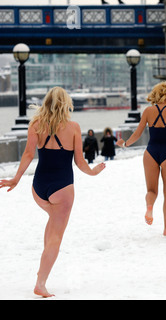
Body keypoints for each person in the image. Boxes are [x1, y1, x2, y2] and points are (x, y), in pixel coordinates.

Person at [0, 87, 105, 298]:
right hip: (62, 188)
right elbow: (80, 162)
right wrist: (93, 173)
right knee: (56, 237)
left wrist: (16, 178)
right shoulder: (73, 127)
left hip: (39, 188)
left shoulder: (36, 124)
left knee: (51, 229)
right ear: (66, 103)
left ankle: (42, 270)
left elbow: (29, 154)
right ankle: (41, 283)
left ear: (46, 102)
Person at [117, 81, 166, 237]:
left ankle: (149, 206)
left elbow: (137, 134)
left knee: (151, 190)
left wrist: (124, 144)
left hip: (150, 152)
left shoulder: (148, 111)